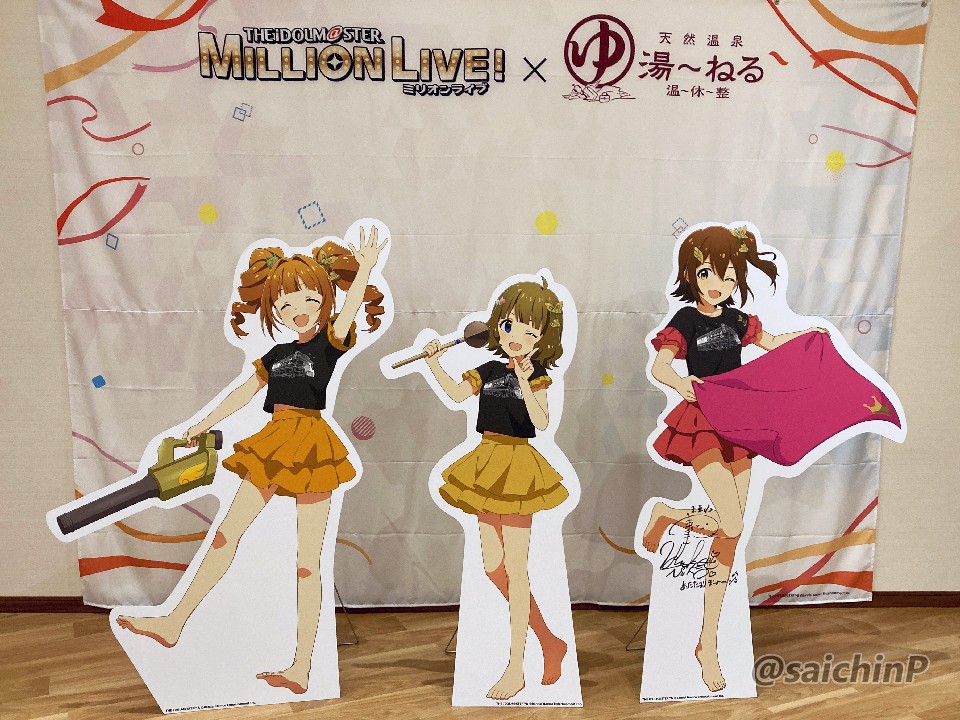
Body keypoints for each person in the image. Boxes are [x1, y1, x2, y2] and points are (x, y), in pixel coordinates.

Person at [116, 227, 388, 695]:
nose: (298, 309)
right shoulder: (276, 354)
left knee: (308, 562)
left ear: (323, 300)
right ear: (274, 308)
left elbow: (346, 317)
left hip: (313, 446)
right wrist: (201, 423)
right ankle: (174, 622)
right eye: (286, 303)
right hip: (274, 441)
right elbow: (243, 392)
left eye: (309, 299)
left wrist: (363, 268)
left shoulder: (330, 342)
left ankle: (302, 667)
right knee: (225, 535)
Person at [642, 224, 827, 693]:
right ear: (692, 273)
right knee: (729, 520)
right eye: (707, 273)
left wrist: (809, 336)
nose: (717, 283)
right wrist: (681, 384)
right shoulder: (686, 319)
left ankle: (707, 642)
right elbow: (660, 365)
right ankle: (669, 515)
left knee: (732, 531)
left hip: (740, 422)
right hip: (702, 421)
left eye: (727, 276)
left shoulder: (738, 319)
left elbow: (772, 344)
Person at [420, 278, 570, 701]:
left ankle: (516, 667)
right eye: (509, 325)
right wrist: (433, 363)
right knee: (493, 568)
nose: (516, 337)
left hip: (519, 466)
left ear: (542, 339)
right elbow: (456, 394)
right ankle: (550, 641)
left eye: (529, 331)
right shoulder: (486, 370)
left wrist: (525, 379)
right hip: (486, 463)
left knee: (517, 570)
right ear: (496, 326)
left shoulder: (537, 375)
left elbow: (541, 423)